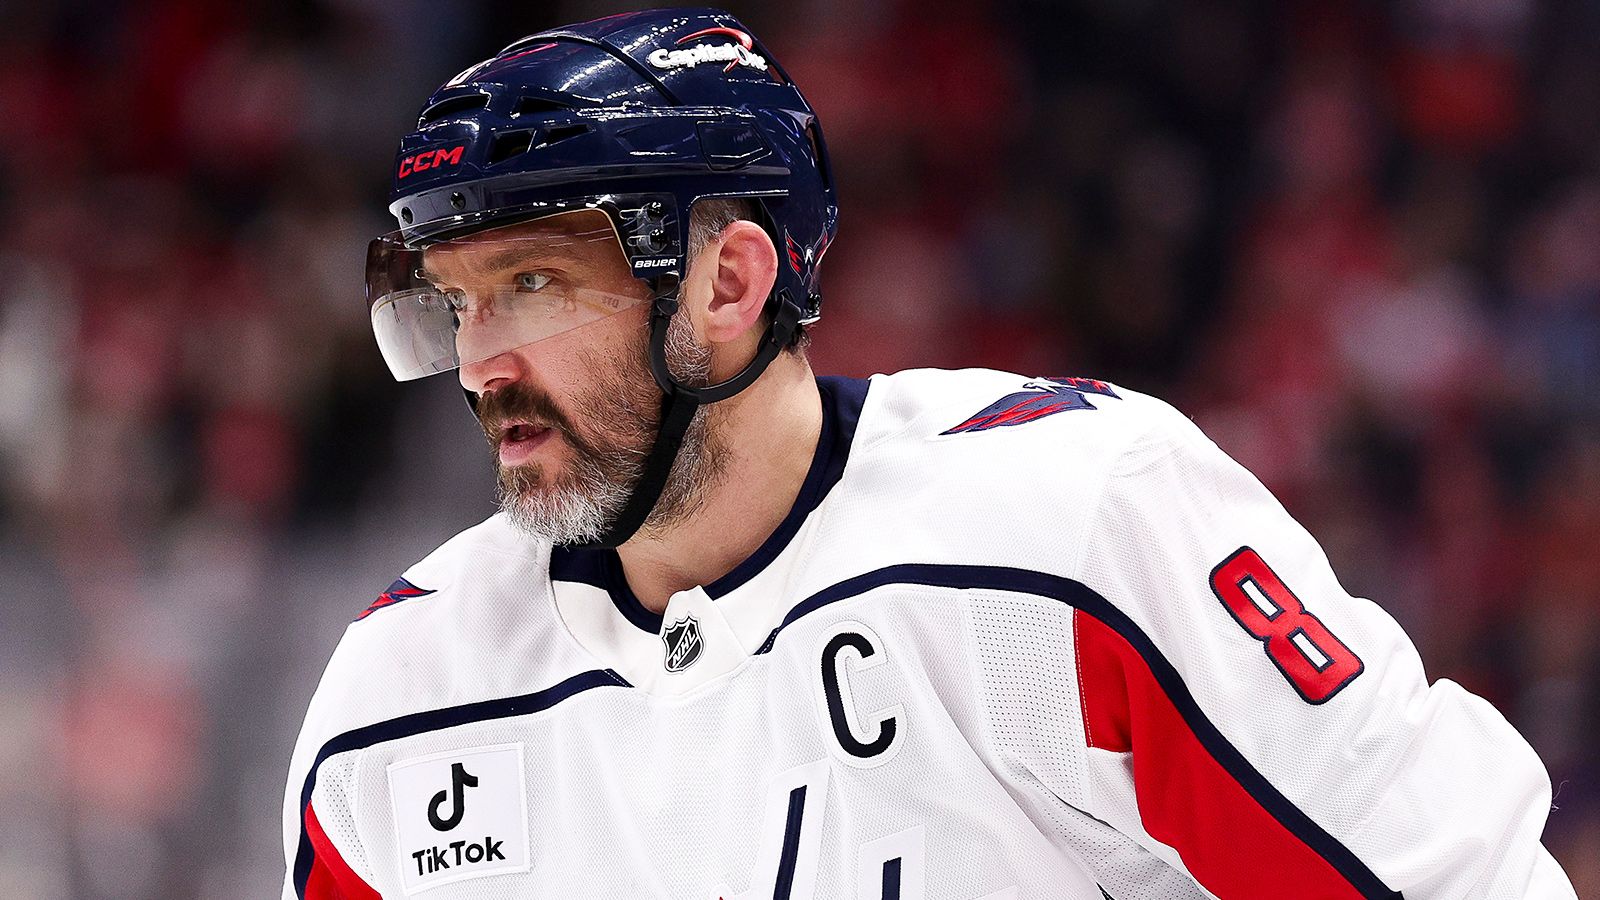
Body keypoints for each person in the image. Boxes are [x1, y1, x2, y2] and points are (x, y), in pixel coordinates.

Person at [283, 8, 1576, 898]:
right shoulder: (394, 706)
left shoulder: (1074, 529)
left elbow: (1455, 880)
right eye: (456, 303)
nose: (479, 364)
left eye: (532, 284)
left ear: (729, 283)